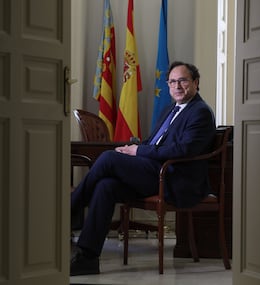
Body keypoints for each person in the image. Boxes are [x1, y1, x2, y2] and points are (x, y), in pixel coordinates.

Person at [70, 61, 216, 276]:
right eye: (172, 81)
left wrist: (137, 152)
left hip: (174, 179)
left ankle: (72, 211)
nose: (177, 86)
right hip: (155, 173)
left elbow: (182, 150)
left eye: (183, 80)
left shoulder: (200, 112)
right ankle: (87, 257)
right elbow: (152, 142)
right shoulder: (170, 110)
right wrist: (135, 148)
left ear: (195, 82)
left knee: (109, 158)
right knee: (106, 185)